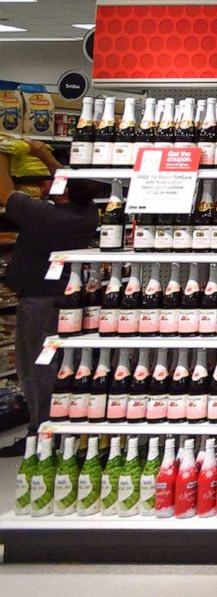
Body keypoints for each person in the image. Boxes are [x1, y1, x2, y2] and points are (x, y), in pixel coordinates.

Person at [0, 139, 101, 455]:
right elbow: (73, 185)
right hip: (65, 301)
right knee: (57, 368)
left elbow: (4, 193)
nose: (48, 184)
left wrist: (2, 155)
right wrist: (44, 155)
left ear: (65, 191)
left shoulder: (44, 215)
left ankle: (40, 435)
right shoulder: (86, 213)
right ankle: (58, 430)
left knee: (36, 370)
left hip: (39, 304)